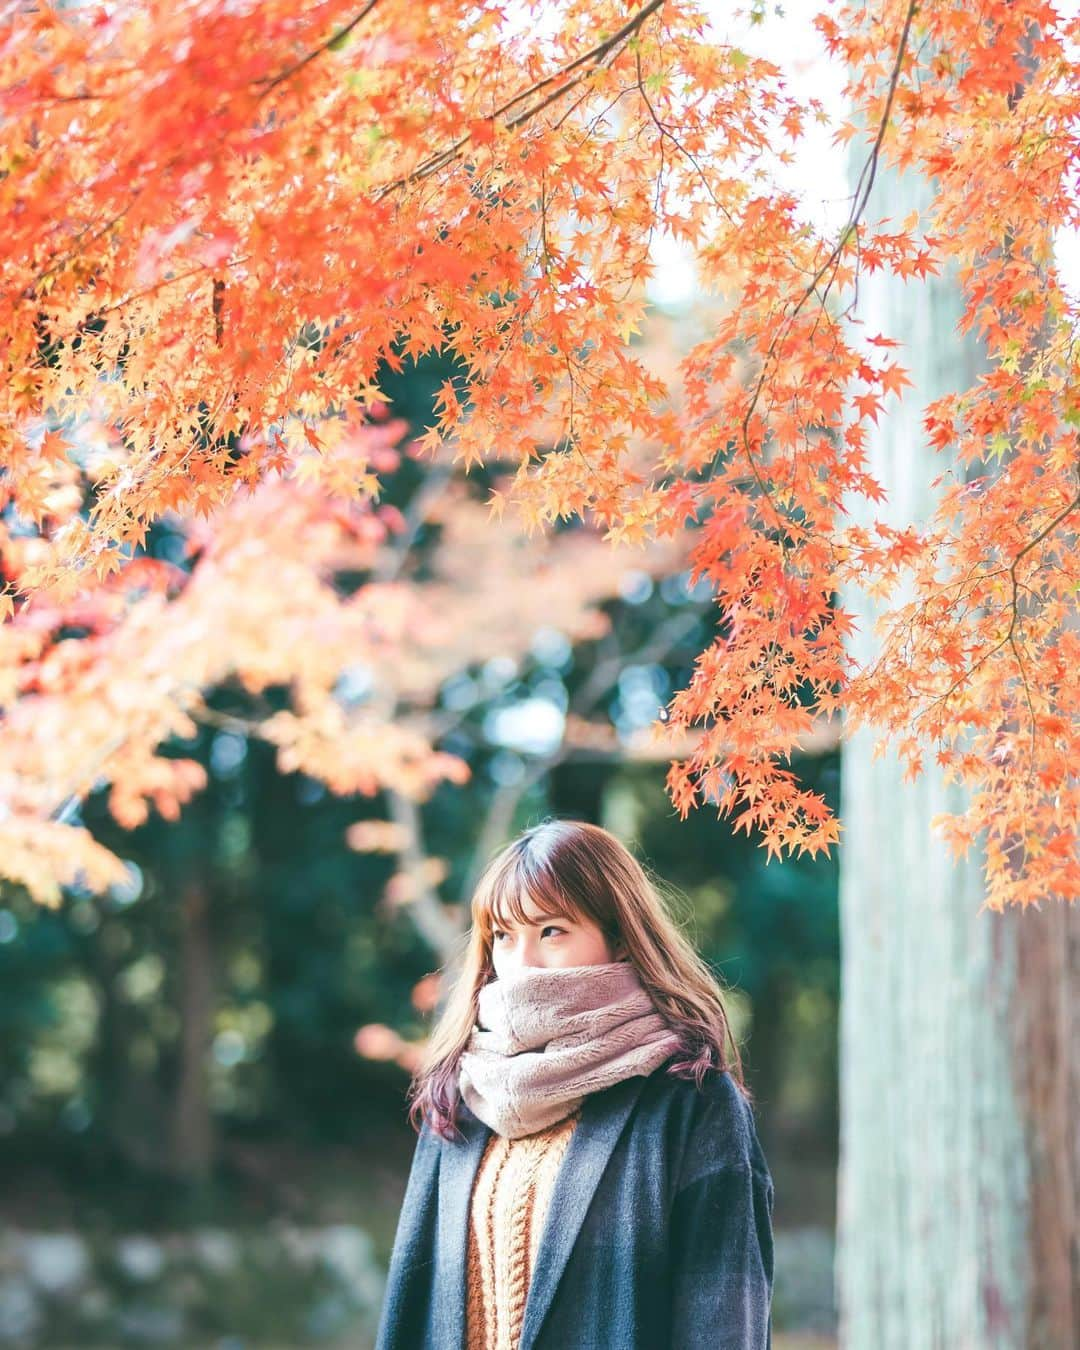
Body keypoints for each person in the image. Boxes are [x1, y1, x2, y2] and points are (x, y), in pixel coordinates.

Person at [374, 817, 775, 1350]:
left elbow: (724, 1326)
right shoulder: (464, 1094)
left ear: (621, 940)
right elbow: (411, 1312)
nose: (523, 963)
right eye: (503, 936)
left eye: (552, 931)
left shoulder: (689, 1101)